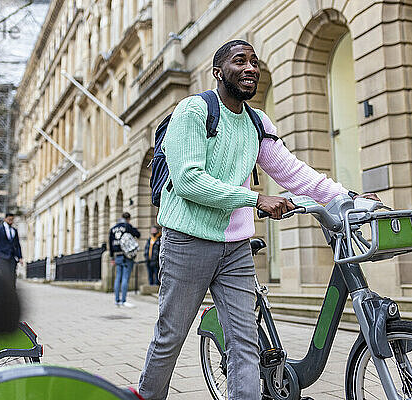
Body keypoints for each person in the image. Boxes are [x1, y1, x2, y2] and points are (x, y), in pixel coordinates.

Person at [137, 40, 378, 400]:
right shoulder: (193, 111)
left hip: (235, 249)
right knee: (171, 336)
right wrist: (255, 199)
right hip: (188, 241)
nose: (250, 67)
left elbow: (293, 172)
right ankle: (147, 395)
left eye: (254, 61)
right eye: (240, 61)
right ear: (218, 72)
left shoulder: (256, 121)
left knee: (244, 343)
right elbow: (188, 180)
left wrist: (347, 197)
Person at [109, 212, 141, 307]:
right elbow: (137, 234)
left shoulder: (113, 228)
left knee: (118, 277)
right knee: (125, 278)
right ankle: (123, 300)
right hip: (127, 255)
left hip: (117, 255)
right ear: (128, 219)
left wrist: (111, 257)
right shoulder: (127, 226)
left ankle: (116, 300)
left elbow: (110, 244)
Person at [0, 213, 22, 288]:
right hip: (2, 257)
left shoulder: (14, 230)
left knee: (13, 276)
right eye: (9, 219)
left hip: (12, 257)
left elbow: (17, 244)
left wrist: (20, 257)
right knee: (5, 275)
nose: (11, 221)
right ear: (5, 219)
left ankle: (12, 292)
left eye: (12, 219)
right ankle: (5, 292)